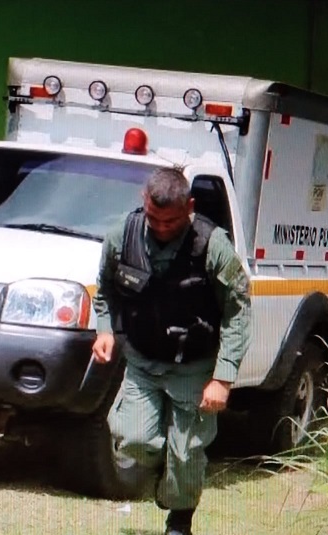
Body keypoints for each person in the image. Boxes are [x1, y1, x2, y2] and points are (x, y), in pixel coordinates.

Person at [91, 167, 251, 535]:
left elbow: (238, 311)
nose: (162, 227)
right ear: (143, 203)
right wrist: (105, 331)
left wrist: (223, 378)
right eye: (154, 218)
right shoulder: (121, 236)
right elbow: (106, 290)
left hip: (193, 366)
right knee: (133, 441)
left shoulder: (212, 245)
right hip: (143, 363)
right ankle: (168, 477)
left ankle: (179, 521)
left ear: (189, 207)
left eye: (172, 220)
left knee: (187, 455)